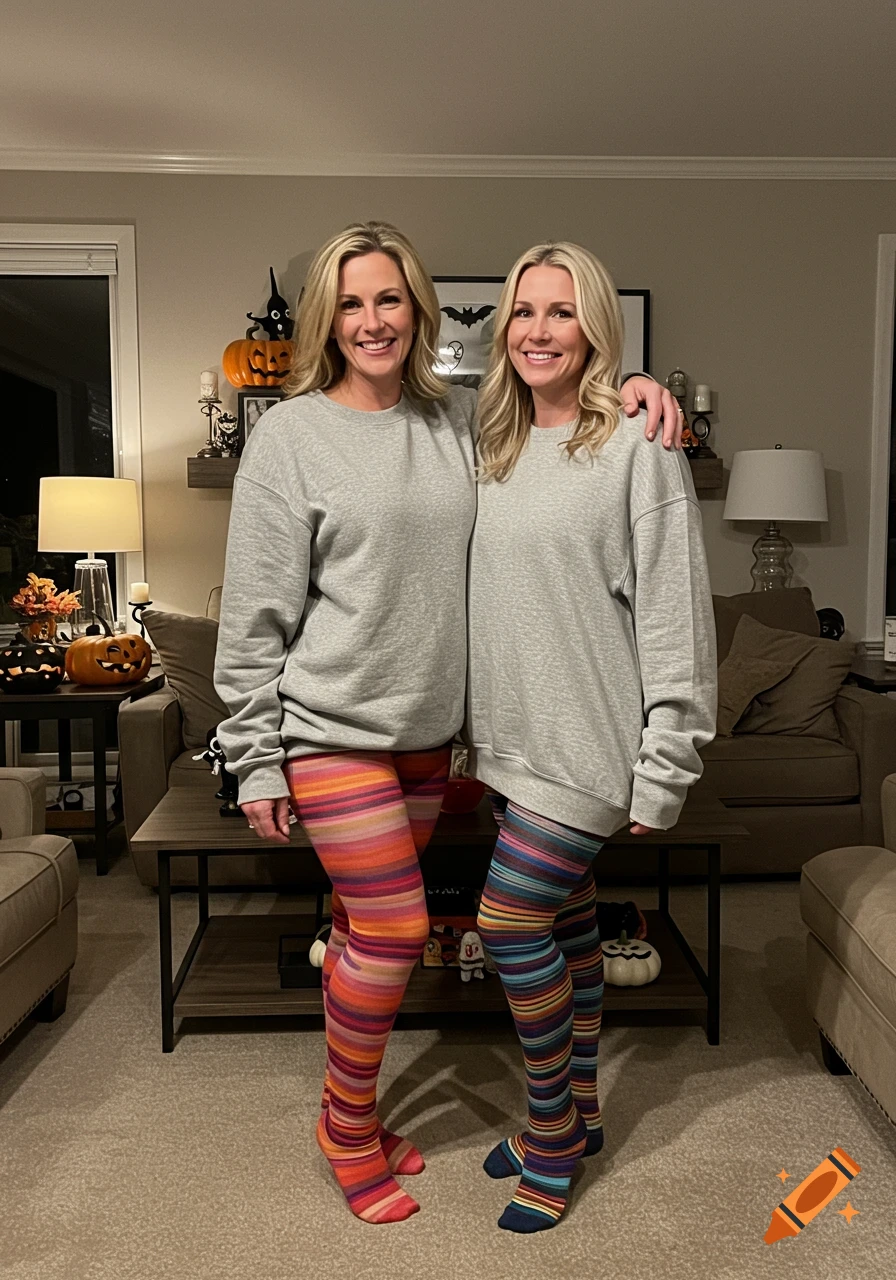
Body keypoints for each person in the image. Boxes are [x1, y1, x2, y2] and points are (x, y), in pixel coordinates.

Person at [213, 221, 679, 1226]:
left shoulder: (463, 420)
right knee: (391, 927)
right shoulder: (289, 435)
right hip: (329, 727)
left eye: (389, 299)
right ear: (324, 319)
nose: (371, 320)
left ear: (419, 310)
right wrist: (253, 758)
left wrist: (635, 385)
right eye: (349, 302)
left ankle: (563, 1112)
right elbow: (251, 610)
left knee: (399, 924)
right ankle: (344, 1124)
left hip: (431, 738)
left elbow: (565, 407)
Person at [465, 242, 717, 1233]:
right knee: (567, 929)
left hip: (587, 749)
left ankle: (551, 1132)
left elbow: (673, 616)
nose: (535, 329)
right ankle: (587, 1105)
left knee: (508, 921)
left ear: (593, 328)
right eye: (522, 311)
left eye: (560, 312)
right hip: (506, 747)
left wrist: (664, 767)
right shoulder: (485, 442)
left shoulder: (637, 448)